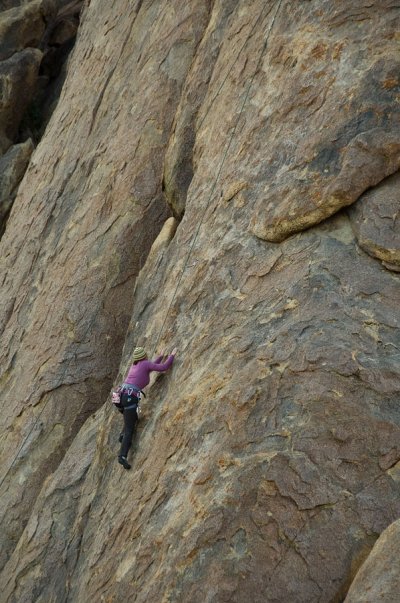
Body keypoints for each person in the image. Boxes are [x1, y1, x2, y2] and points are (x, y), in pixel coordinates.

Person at [117, 346, 177, 470]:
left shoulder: (135, 365)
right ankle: (122, 456)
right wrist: (172, 355)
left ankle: (122, 436)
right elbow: (163, 368)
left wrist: (160, 356)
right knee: (130, 428)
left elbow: (150, 367)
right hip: (129, 398)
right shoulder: (145, 364)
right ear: (144, 356)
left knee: (131, 417)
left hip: (121, 396)